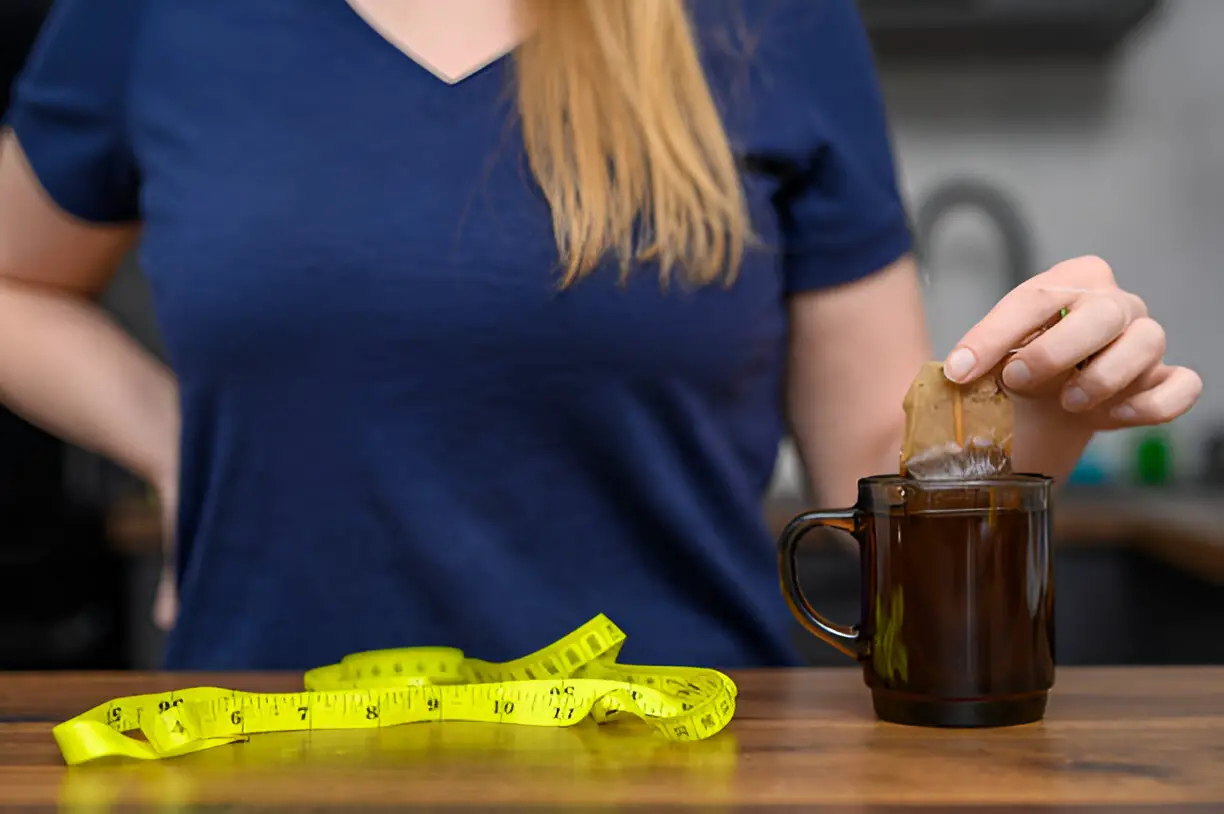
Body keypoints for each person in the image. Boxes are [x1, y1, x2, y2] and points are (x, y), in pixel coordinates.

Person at [0, 0, 1201, 672]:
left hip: (693, 769)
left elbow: (875, 497)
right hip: (260, 758)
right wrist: (170, 440)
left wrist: (1036, 412)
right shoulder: (145, 15)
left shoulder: (773, 19)